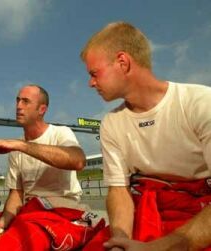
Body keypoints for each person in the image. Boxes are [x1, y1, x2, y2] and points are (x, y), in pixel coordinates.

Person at [80, 21, 211, 250]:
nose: (91, 83)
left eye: (94, 73)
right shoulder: (111, 123)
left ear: (123, 62)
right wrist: (121, 239)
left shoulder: (200, 103)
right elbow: (119, 190)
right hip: (146, 208)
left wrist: (161, 247)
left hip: (198, 211)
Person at [0, 84, 105, 251]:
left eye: (25, 101)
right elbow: (16, 193)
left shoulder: (60, 133)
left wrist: (22, 146)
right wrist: (3, 221)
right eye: (17, 100)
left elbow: (78, 161)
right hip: (27, 212)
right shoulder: (16, 148)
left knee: (10, 246)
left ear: (42, 109)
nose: (18, 106)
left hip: (59, 211)